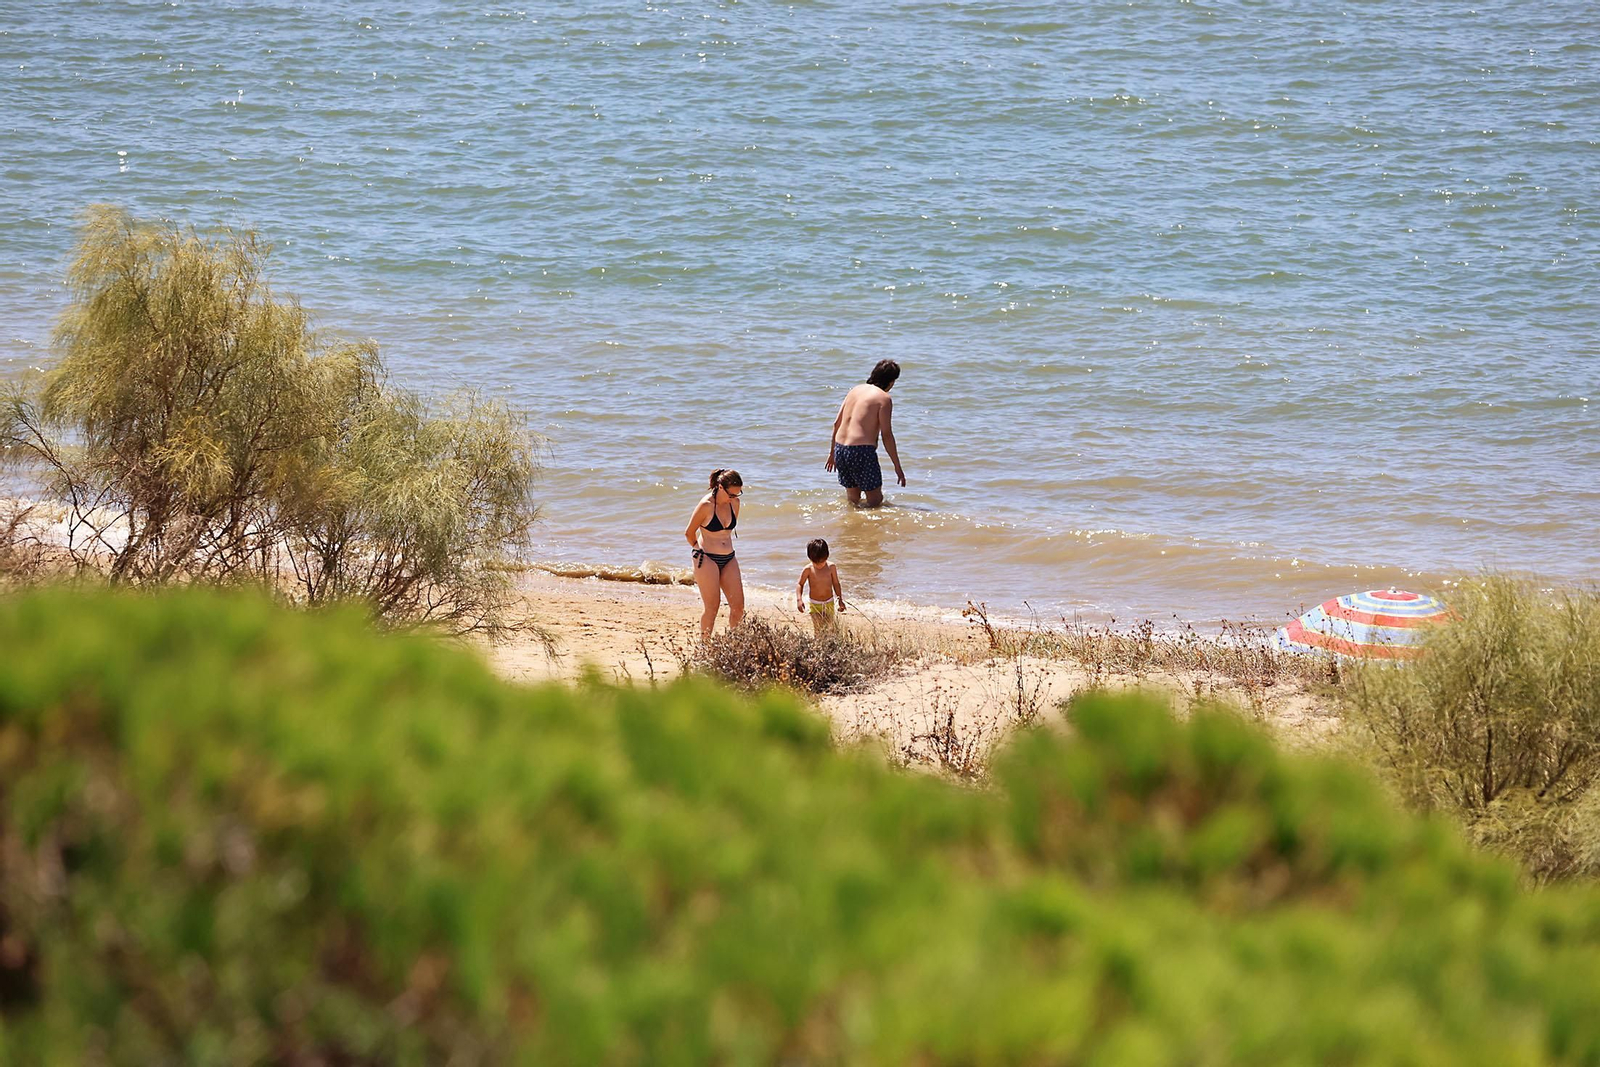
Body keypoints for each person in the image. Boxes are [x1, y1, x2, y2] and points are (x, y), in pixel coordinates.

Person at [826, 358, 905, 507]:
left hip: (840, 449)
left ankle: (852, 521)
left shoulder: (855, 390)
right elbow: (886, 435)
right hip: (861, 452)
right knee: (875, 502)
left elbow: (836, 423)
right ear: (891, 381)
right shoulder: (884, 399)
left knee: (853, 501)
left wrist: (832, 454)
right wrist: (897, 466)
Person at [684, 468, 745, 640]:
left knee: (738, 607)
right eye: (731, 494)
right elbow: (689, 533)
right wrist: (697, 549)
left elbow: (727, 532)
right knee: (712, 608)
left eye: (737, 494)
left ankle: (735, 646)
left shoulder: (735, 503)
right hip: (707, 558)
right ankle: (705, 646)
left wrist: (734, 498)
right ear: (720, 487)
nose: (734, 498)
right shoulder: (706, 505)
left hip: (729, 558)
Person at [795, 537, 845, 634]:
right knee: (818, 628)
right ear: (810, 558)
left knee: (830, 628)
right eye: (816, 563)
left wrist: (840, 600)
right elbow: (800, 584)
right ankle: (818, 642)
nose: (819, 565)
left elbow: (836, 583)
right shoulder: (808, 569)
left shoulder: (831, 567)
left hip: (829, 603)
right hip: (815, 604)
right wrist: (799, 599)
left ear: (827, 556)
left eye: (822, 562)